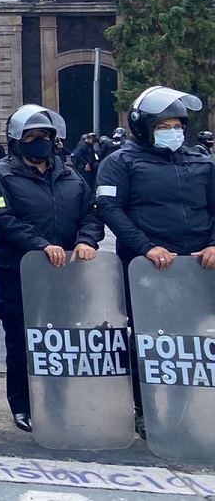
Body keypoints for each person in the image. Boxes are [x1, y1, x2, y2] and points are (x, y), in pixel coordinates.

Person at [94, 86, 215, 436]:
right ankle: (146, 408)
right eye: (164, 125)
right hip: (146, 268)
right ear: (144, 126)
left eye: (178, 124)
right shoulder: (120, 162)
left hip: (196, 269)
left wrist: (212, 244)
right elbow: (109, 209)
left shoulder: (202, 162)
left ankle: (184, 409)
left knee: (190, 342)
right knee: (148, 340)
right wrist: (146, 247)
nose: (172, 131)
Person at [0, 103, 102, 434]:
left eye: (46, 136)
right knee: (20, 341)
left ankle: (58, 400)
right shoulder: (0, 174)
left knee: (61, 340)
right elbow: (2, 217)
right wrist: (39, 243)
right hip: (19, 270)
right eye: (33, 136)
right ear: (17, 140)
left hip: (66, 271)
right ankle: (22, 405)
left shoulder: (71, 176)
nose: (41, 142)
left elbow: (92, 215)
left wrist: (87, 240)